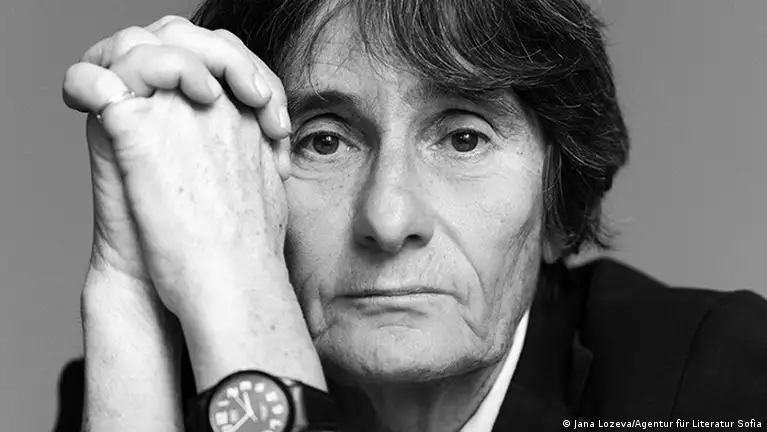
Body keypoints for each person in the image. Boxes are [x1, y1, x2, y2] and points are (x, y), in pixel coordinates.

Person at [56, 0, 767, 431]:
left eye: (463, 139)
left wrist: (246, 305)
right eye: (323, 141)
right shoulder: (155, 385)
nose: (389, 220)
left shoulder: (714, 375)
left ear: (558, 201)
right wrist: (127, 288)